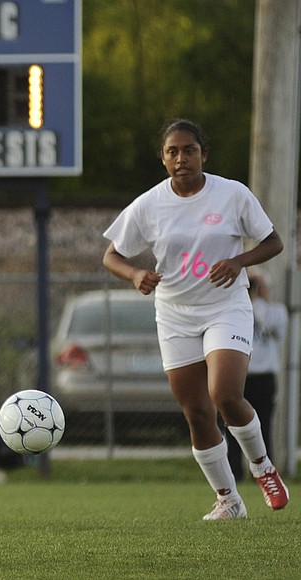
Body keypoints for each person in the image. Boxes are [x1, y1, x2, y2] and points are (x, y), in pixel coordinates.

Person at [102, 118, 289, 520]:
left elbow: (274, 241)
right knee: (197, 412)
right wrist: (135, 274)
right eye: (173, 151)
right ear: (163, 158)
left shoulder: (232, 194)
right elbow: (112, 255)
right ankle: (228, 499)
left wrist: (238, 261)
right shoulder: (149, 204)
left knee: (224, 394)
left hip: (226, 306)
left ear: (204, 155)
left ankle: (263, 468)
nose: (181, 158)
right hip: (174, 313)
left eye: (189, 150)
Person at [225, 271, 288, 480]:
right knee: (233, 425)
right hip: (241, 376)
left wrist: (256, 298)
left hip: (264, 376)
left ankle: (264, 473)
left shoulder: (276, 312)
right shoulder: (236, 310)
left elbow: (273, 327)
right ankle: (235, 472)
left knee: (264, 425)